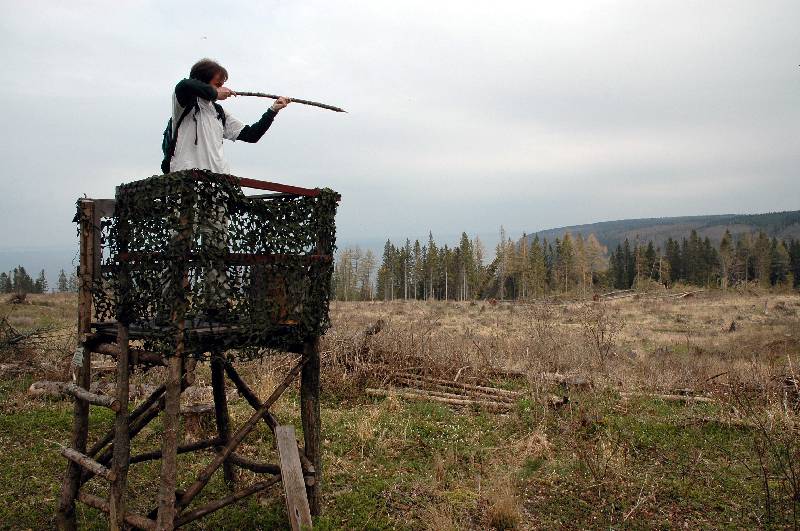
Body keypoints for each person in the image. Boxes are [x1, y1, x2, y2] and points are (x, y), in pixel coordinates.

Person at [167, 58, 291, 174]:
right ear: (201, 82)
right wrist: (215, 93)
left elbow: (252, 135)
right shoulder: (184, 102)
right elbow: (184, 85)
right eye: (218, 84)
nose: (223, 88)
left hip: (218, 181)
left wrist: (273, 110)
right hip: (186, 179)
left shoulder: (219, 112)